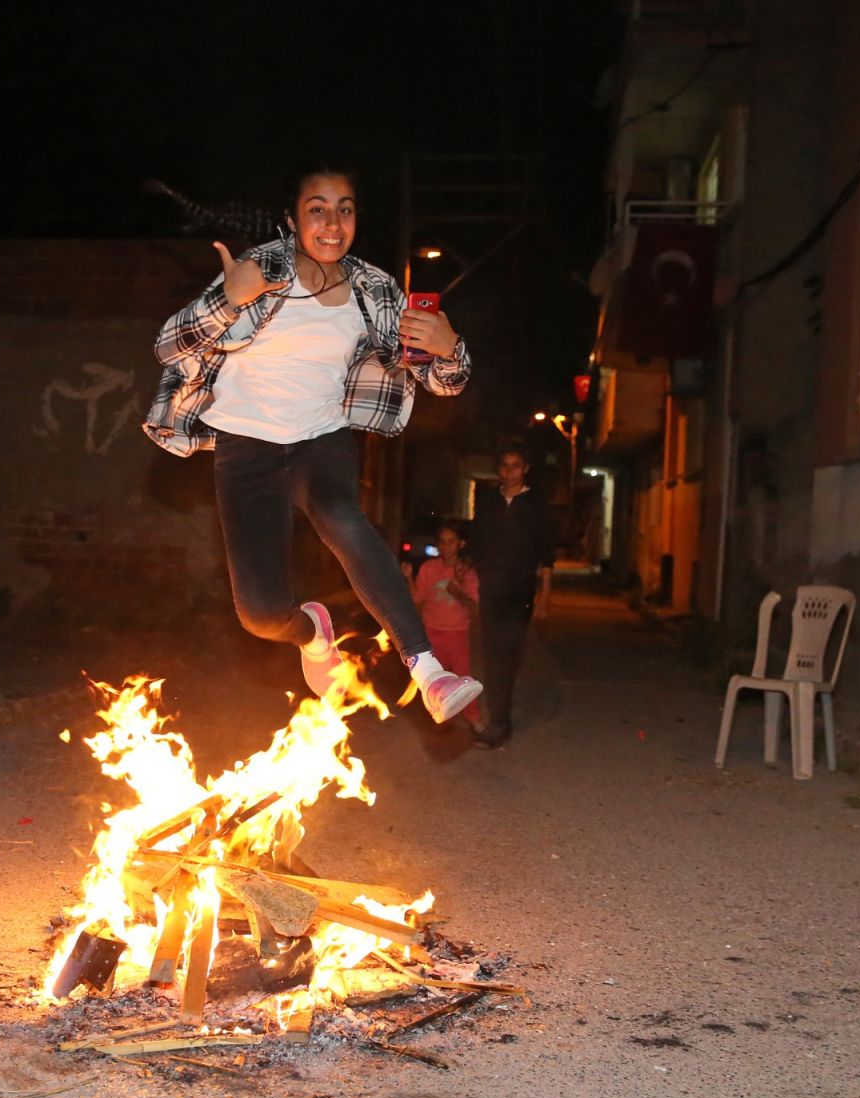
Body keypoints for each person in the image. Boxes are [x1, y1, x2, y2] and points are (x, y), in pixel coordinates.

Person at [144, 163, 482, 722]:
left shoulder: (375, 291)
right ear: (292, 220)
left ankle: (430, 671)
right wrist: (228, 299)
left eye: (344, 208)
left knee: (340, 514)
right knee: (260, 614)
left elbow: (443, 382)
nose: (332, 222)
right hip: (246, 448)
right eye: (317, 209)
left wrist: (450, 348)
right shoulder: (259, 272)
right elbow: (167, 346)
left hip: (320, 438)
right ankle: (312, 633)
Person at [471, 444, 555, 750]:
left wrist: (545, 595)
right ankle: (499, 723)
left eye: (516, 465)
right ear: (499, 470)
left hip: (520, 588)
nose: (510, 471)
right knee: (494, 653)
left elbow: (547, 551)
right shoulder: (488, 501)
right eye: (504, 466)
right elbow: (477, 540)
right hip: (491, 586)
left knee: (510, 652)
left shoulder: (536, 504)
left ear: (525, 468)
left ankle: (500, 718)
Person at [402, 522, 483, 731]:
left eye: (451, 542)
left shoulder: (466, 572)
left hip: (457, 633)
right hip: (432, 633)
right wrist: (409, 577)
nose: (446, 547)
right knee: (434, 679)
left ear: (460, 544)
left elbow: (475, 607)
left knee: (463, 677)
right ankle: (438, 716)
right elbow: (418, 598)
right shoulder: (429, 569)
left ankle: (472, 716)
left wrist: (459, 593)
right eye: (442, 542)